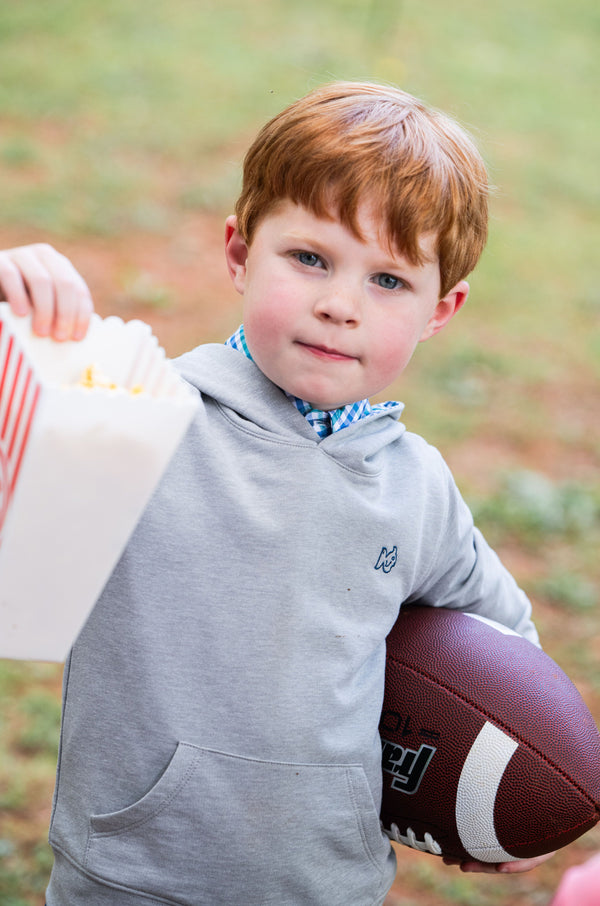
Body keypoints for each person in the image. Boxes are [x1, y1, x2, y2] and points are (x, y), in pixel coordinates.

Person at [0, 81, 554, 905]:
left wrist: (509, 793)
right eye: (310, 258)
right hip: (133, 878)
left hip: (328, 885)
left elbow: (503, 649)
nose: (339, 305)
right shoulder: (135, 413)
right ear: (238, 253)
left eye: (389, 282)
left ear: (443, 309)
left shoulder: (418, 488)